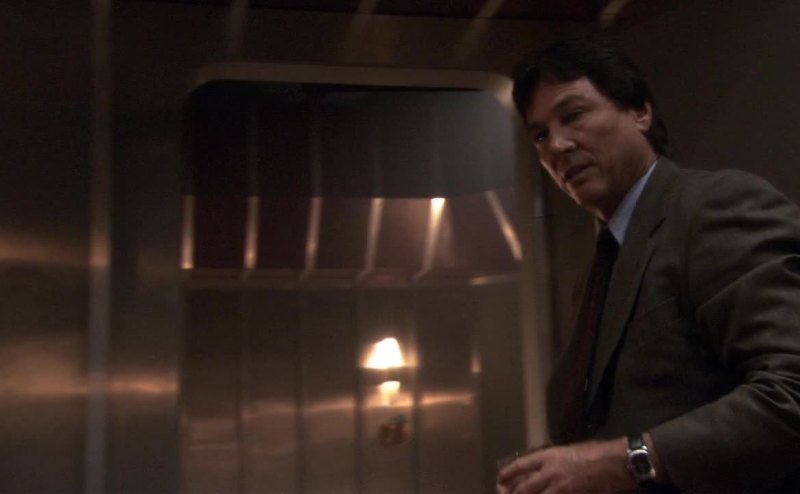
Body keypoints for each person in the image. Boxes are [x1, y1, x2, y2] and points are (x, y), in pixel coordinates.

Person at [497, 39, 800, 493]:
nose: (557, 145)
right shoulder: (596, 272)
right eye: (540, 136)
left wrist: (629, 460)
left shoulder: (713, 207)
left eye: (573, 115)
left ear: (640, 112)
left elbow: (792, 387)